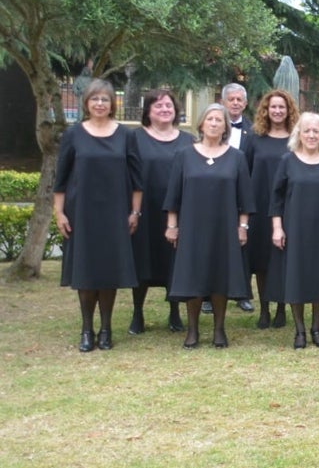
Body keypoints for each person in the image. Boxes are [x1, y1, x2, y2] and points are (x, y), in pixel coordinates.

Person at [54, 78, 143, 352]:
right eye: (95, 99)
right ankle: (86, 329)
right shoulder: (74, 134)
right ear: (86, 103)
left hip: (115, 214)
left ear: (112, 103)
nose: (100, 104)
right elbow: (61, 179)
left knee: (108, 272)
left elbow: (137, 180)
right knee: (86, 271)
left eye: (105, 99)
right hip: (81, 214)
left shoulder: (126, 135)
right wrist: (59, 213)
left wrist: (135, 212)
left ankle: (106, 329)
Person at [163, 104, 253, 349]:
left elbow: (245, 198)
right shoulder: (184, 155)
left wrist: (242, 226)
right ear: (201, 124)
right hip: (191, 227)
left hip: (224, 228)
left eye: (219, 120)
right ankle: (192, 330)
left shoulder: (237, 157)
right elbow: (174, 195)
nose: (214, 123)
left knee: (220, 276)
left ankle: (219, 329)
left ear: (226, 127)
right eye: (210, 119)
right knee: (194, 275)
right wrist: (172, 225)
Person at [269, 113, 319, 349]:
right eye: (307, 131)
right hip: (295, 229)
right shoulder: (287, 161)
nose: (312, 135)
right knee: (297, 277)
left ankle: (316, 328)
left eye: (316, 131)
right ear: (299, 135)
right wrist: (277, 228)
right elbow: (276, 198)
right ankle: (299, 330)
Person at [129, 89, 188, 336]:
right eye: (158, 106)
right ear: (148, 111)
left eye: (169, 106)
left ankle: (174, 311)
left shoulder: (187, 140)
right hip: (145, 211)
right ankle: (137, 312)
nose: (165, 110)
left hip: (177, 210)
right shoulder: (134, 138)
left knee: (174, 261)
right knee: (142, 259)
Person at [244, 89, 299, 331]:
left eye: (282, 107)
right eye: (273, 107)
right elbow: (243, 172)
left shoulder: (296, 139)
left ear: (289, 111)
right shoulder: (254, 138)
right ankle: (265, 309)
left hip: (289, 205)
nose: (277, 111)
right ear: (265, 110)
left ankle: (281, 309)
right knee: (262, 260)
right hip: (260, 204)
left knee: (285, 257)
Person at [219, 82, 254, 313]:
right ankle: (208, 295)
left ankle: (241, 293)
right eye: (231, 99)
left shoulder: (252, 131)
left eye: (239, 99)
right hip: (216, 193)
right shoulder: (211, 126)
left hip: (240, 193)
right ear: (223, 101)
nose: (235, 103)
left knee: (242, 245)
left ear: (245, 103)